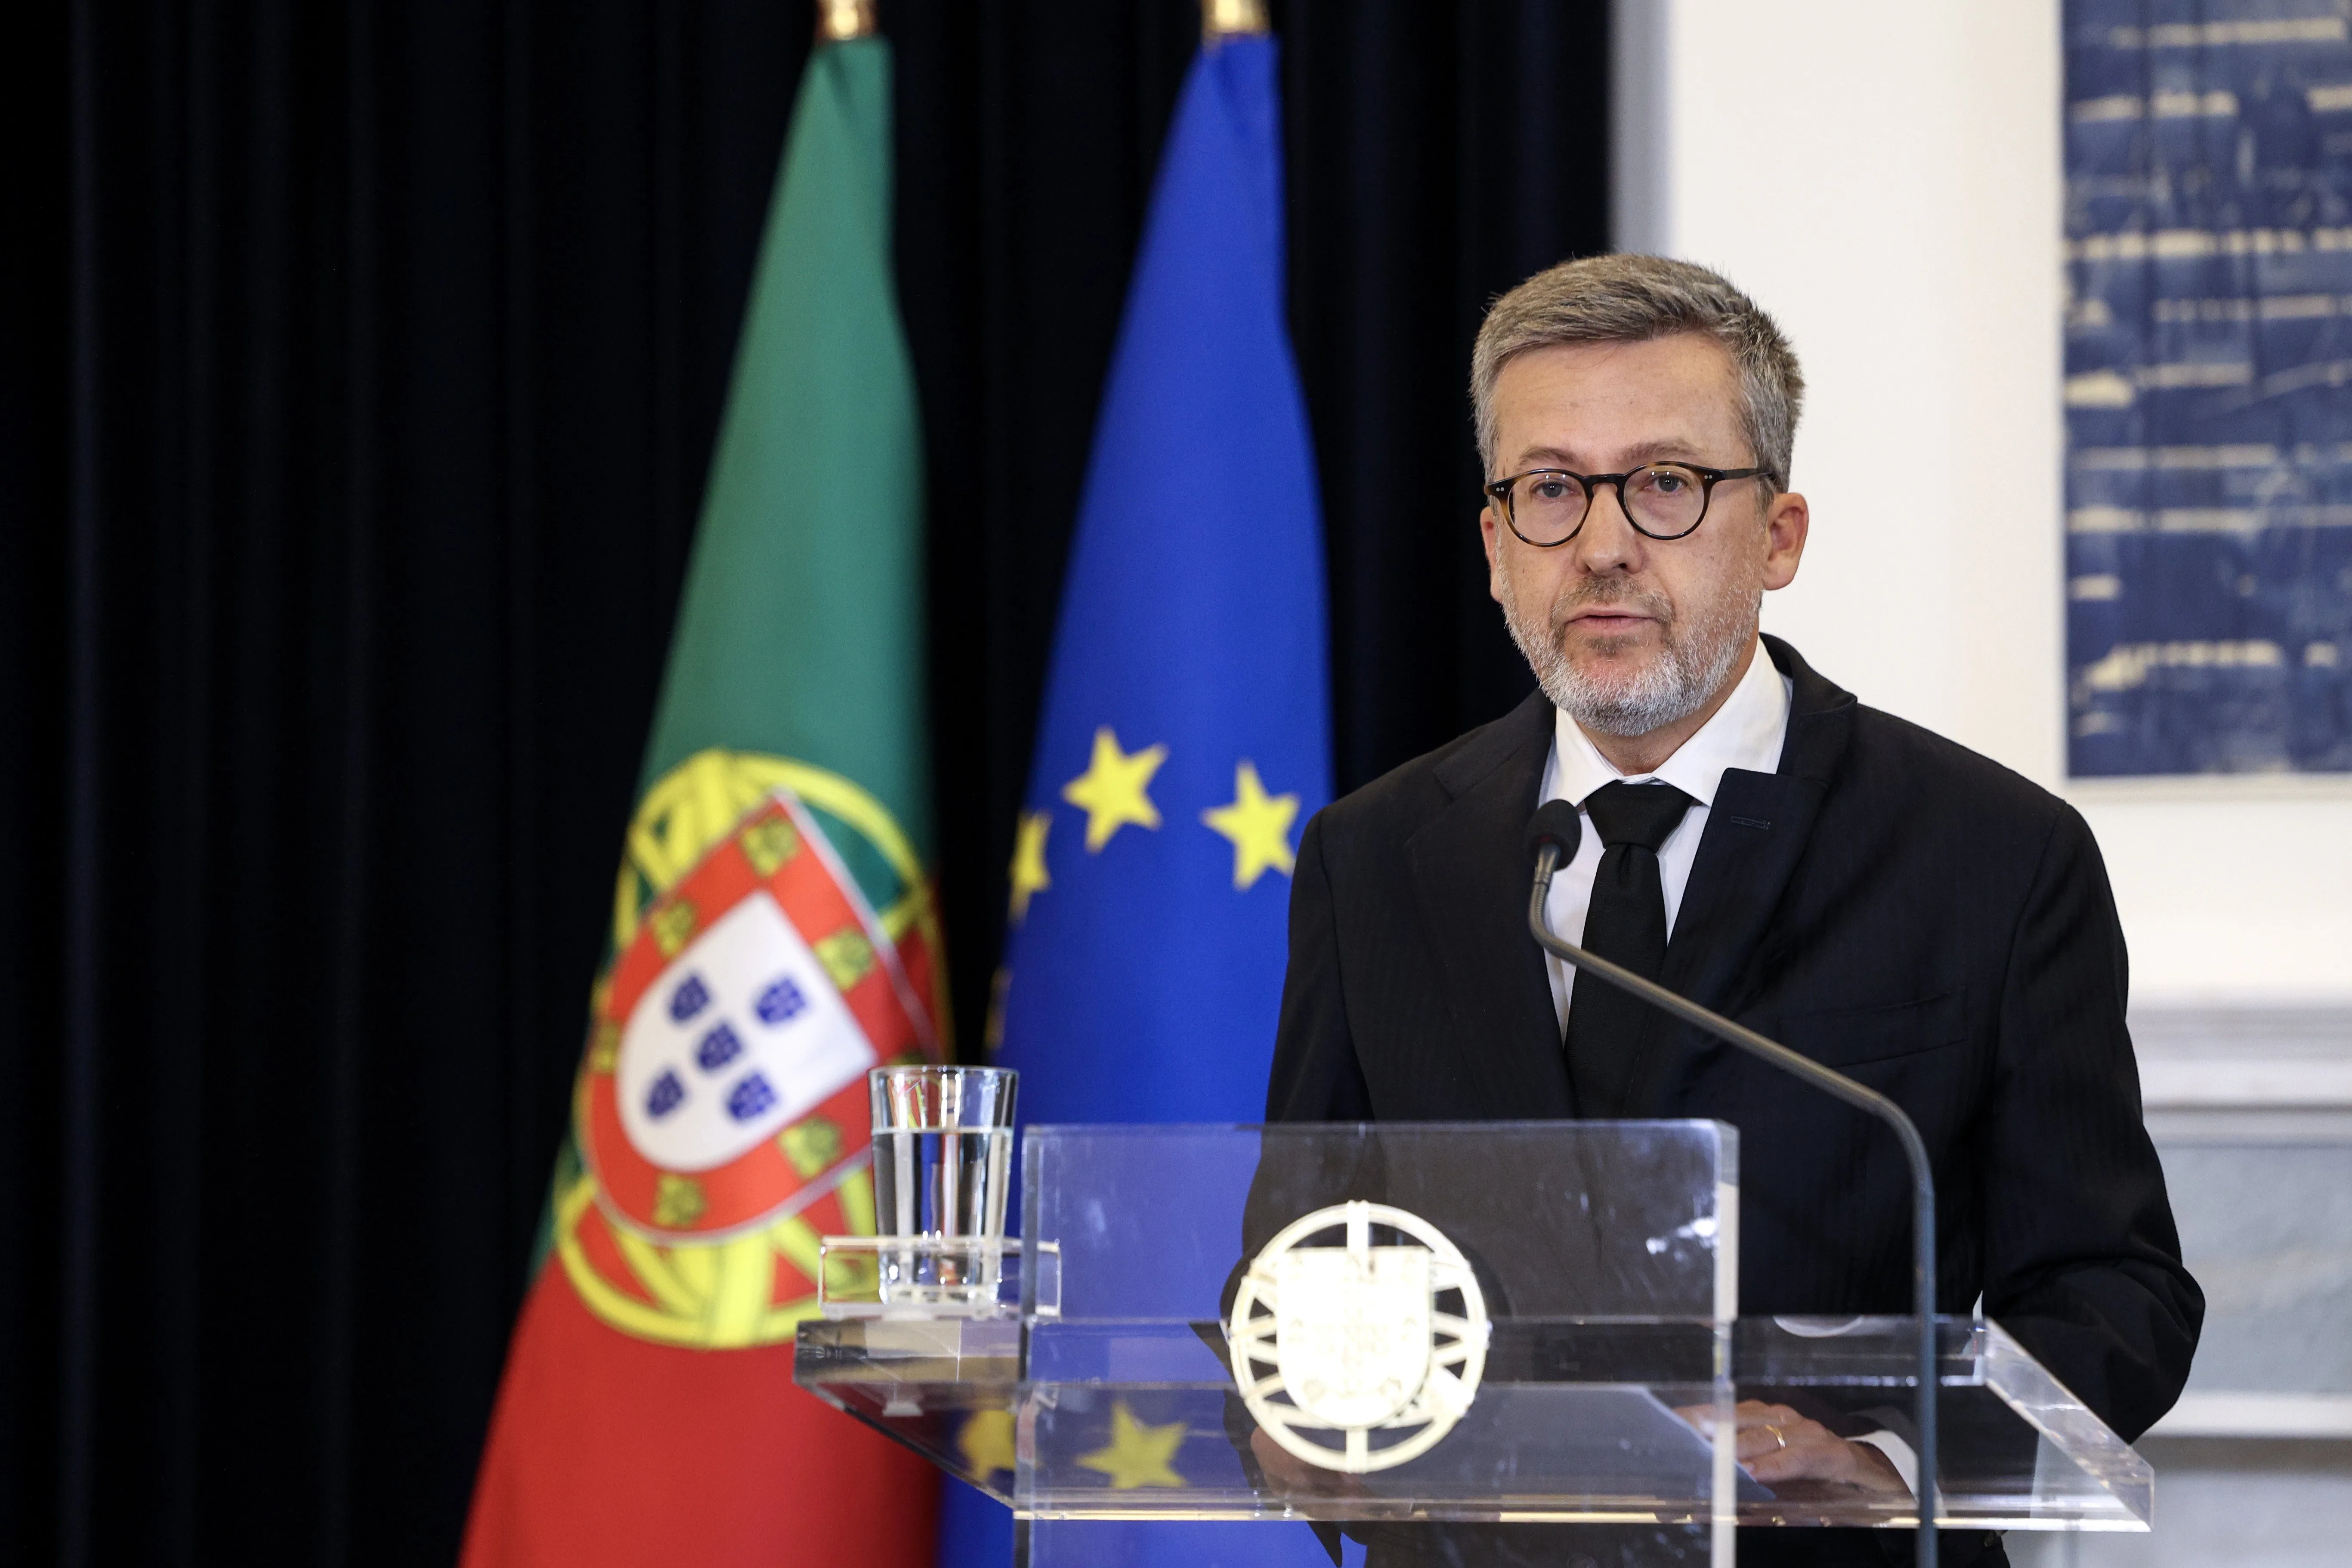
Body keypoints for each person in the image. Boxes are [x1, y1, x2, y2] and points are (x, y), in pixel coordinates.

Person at [1262, 254, 2202, 1566]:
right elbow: (1310, 1253)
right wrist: (1313, 1399)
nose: (1600, 545)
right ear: (1494, 547)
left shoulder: (1990, 855)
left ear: (1779, 535)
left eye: (1663, 484)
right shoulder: (1377, 858)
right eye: (1549, 490)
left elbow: (2113, 1292)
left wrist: (1886, 1467)